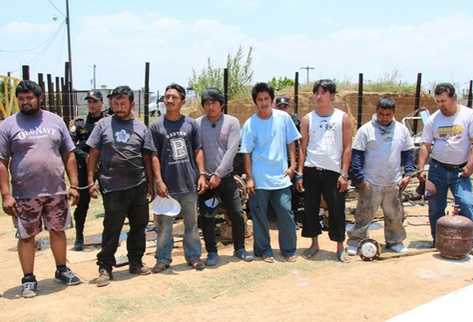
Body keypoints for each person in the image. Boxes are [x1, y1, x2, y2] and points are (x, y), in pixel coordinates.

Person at [0, 80, 81, 298]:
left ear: (40, 98)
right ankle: (28, 278)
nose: (25, 102)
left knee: (58, 230)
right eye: (21, 99)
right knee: (27, 236)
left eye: (29, 98)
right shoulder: (8, 125)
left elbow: (69, 154)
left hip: (56, 189)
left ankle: (62, 269)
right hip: (24, 193)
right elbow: (2, 161)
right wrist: (6, 195)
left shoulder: (55, 121)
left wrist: (73, 185)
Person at [86, 85, 156, 287]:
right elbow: (93, 154)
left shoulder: (142, 127)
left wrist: (151, 183)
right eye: (115, 103)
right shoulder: (102, 125)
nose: (118, 107)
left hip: (138, 185)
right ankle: (105, 267)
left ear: (131, 104)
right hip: (112, 186)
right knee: (112, 228)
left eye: (122, 103)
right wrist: (91, 181)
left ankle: (135, 262)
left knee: (138, 226)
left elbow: (147, 156)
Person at [240, 82, 301, 263]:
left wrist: (293, 166)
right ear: (255, 102)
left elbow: (292, 142)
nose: (264, 102)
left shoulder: (283, 118)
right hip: (259, 180)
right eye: (260, 99)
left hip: (281, 177)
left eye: (267, 98)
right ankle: (264, 250)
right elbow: (246, 152)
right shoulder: (250, 124)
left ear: (271, 100)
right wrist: (249, 178)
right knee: (259, 217)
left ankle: (289, 250)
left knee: (286, 213)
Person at [149, 83, 206, 273]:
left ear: (182, 101)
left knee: (191, 224)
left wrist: (202, 175)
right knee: (165, 226)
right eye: (167, 97)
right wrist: (158, 181)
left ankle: (194, 256)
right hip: (167, 186)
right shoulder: (156, 126)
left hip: (189, 183)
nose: (169, 100)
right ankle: (163, 259)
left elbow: (198, 150)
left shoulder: (191, 124)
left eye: (174, 97)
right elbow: (154, 155)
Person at [348, 97, 416, 255]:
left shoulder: (401, 130)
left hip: (393, 182)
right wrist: (360, 180)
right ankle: (355, 241)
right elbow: (357, 155)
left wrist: (408, 173)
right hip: (370, 183)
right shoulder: (366, 130)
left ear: (394, 113)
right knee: (364, 215)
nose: (384, 117)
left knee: (395, 215)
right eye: (381, 114)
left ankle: (395, 241)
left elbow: (408, 154)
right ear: (376, 111)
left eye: (388, 114)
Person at [196, 87, 253, 266]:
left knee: (236, 212)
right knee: (207, 216)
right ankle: (212, 252)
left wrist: (219, 174)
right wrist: (203, 175)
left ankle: (240, 248)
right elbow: (198, 150)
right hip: (206, 180)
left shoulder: (232, 122)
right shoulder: (197, 123)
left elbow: (232, 149)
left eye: (213, 102)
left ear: (222, 104)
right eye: (206, 103)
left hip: (226, 178)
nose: (210, 106)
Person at [297, 79, 352, 262]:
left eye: (323, 92)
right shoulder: (307, 119)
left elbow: (347, 147)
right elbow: (302, 148)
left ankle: (339, 246)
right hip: (311, 168)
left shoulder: (342, 118)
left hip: (333, 171)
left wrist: (344, 174)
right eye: (316, 92)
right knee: (311, 208)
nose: (319, 96)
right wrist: (300, 173)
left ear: (332, 96)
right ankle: (314, 244)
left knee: (337, 209)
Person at [417, 82, 473, 244]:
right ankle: (438, 241)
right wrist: (421, 168)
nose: (441, 105)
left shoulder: (468, 116)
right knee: (435, 208)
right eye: (438, 102)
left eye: (444, 101)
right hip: (437, 170)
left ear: (453, 98)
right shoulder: (433, 120)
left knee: (467, 204)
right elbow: (425, 145)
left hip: (461, 171)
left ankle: (469, 242)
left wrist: (470, 166)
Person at [70, 90, 106, 251]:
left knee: (111, 203)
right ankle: (79, 236)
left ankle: (109, 236)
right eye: (89, 102)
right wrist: (85, 156)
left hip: (105, 167)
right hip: (84, 168)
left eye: (95, 102)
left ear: (101, 103)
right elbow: (70, 146)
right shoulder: (80, 123)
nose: (92, 105)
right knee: (83, 203)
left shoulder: (109, 121)